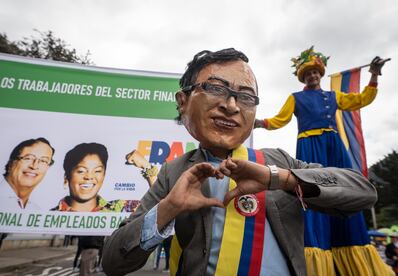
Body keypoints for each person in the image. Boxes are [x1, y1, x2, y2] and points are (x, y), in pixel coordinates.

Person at [102, 48, 377, 276]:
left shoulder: (277, 161)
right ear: (183, 102)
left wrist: (282, 179)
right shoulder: (172, 173)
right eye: (216, 88)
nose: (232, 106)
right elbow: (113, 261)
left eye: (245, 97)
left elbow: (363, 193)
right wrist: (168, 209)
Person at [254, 46, 390, 275]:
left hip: (333, 146)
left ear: (320, 73)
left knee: (342, 189)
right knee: (312, 191)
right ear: (303, 77)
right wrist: (260, 123)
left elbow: (362, 99)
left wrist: (374, 75)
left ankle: (349, 255)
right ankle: (318, 261)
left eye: (315, 72)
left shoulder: (333, 96)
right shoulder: (295, 98)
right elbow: (280, 119)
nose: (312, 76)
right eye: (308, 73)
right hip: (310, 146)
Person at [51, 142, 139, 212]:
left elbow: (151, 211)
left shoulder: (120, 210)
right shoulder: (50, 217)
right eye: (81, 171)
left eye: (97, 171)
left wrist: (147, 168)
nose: (89, 177)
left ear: (104, 175)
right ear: (66, 177)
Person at [0, 136, 55, 210]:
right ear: (11, 163)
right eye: (28, 158)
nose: (34, 166)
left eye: (43, 161)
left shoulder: (36, 211)